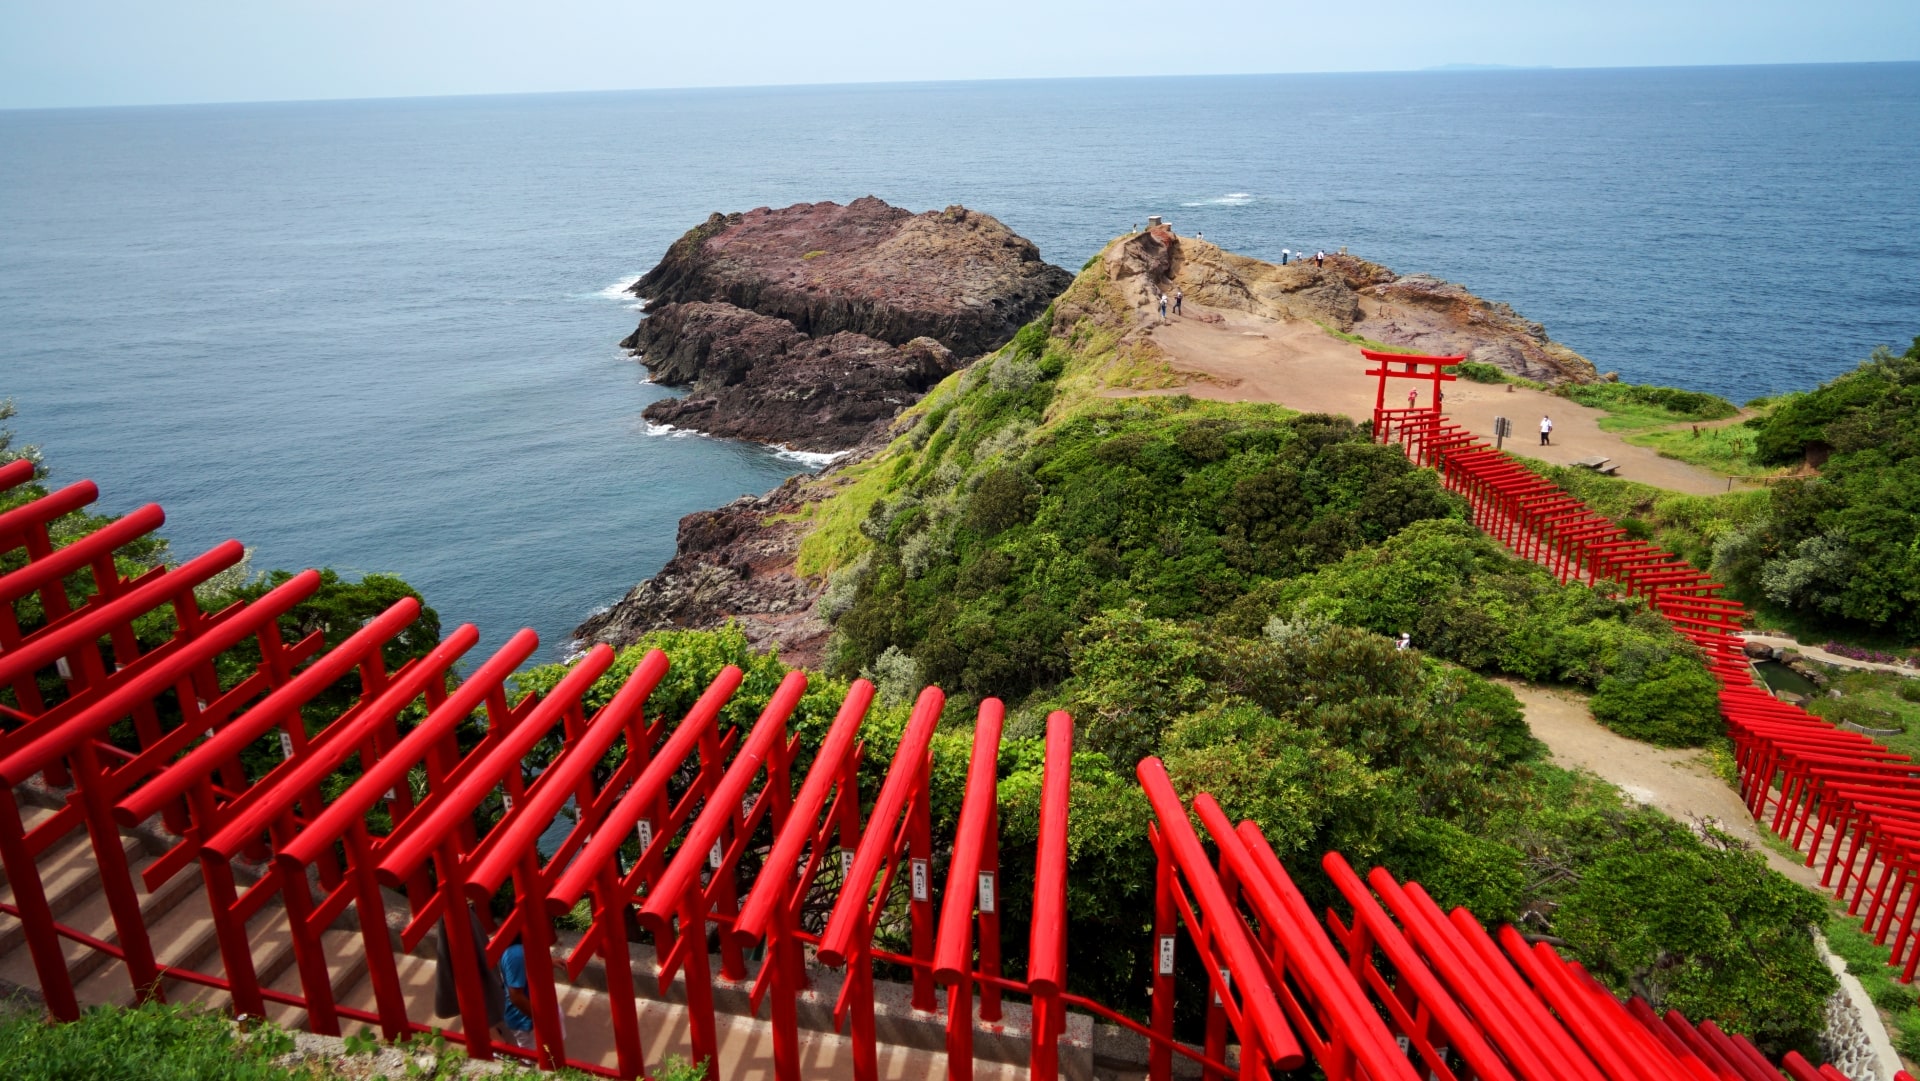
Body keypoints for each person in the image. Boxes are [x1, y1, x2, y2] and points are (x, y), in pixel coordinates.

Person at [499, 937, 536, 1050]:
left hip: (526, 1013)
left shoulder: (518, 951)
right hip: (523, 1018)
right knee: (528, 1057)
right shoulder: (516, 955)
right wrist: (539, 1018)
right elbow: (516, 997)